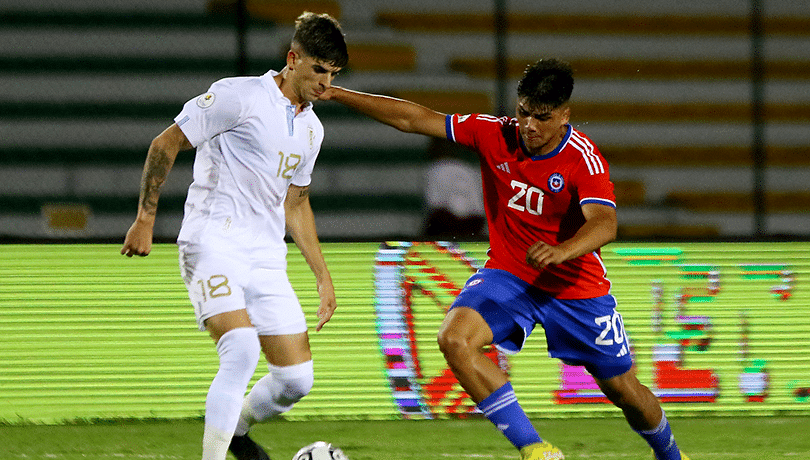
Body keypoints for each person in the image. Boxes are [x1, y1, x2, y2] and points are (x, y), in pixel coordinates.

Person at [320, 59, 689, 460]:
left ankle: (671, 455)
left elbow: (604, 223)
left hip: (574, 288)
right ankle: (536, 449)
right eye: (523, 112)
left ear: (565, 115)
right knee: (454, 339)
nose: (529, 125)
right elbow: (414, 119)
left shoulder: (583, 158)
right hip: (510, 275)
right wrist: (338, 93)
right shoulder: (494, 133)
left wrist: (562, 251)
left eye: (542, 117)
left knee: (623, 389)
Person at [121, 12, 348, 460]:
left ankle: (237, 433)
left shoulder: (311, 129)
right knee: (241, 349)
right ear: (292, 59)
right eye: (318, 69)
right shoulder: (238, 96)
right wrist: (146, 217)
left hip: (266, 255)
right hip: (213, 242)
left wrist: (322, 276)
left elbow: (296, 203)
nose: (326, 83)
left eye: (334, 74)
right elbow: (164, 144)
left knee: (296, 379)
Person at [423, 138, 487, 239]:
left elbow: (437, 209)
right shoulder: (470, 170)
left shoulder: (436, 170)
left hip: (461, 229)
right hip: (467, 229)